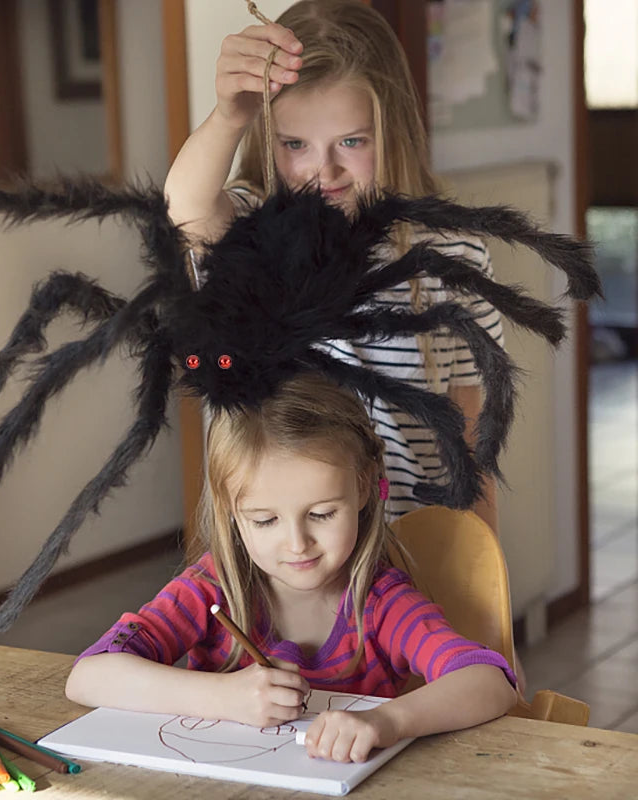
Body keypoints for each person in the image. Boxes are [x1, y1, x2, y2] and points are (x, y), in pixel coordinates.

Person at [163, 0, 503, 532]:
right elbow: (186, 207)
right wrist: (232, 113)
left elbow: (469, 429)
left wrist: (480, 569)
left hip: (408, 543)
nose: (323, 170)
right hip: (283, 555)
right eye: (294, 144)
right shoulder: (253, 232)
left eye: (352, 141)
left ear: (391, 131)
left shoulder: (455, 252)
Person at [66, 374, 517, 764]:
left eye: (321, 514)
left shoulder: (381, 602)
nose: (297, 543)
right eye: (265, 520)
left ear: (363, 488)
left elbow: (490, 682)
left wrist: (387, 721)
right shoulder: (209, 590)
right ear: (231, 513)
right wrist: (225, 698)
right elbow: (89, 676)